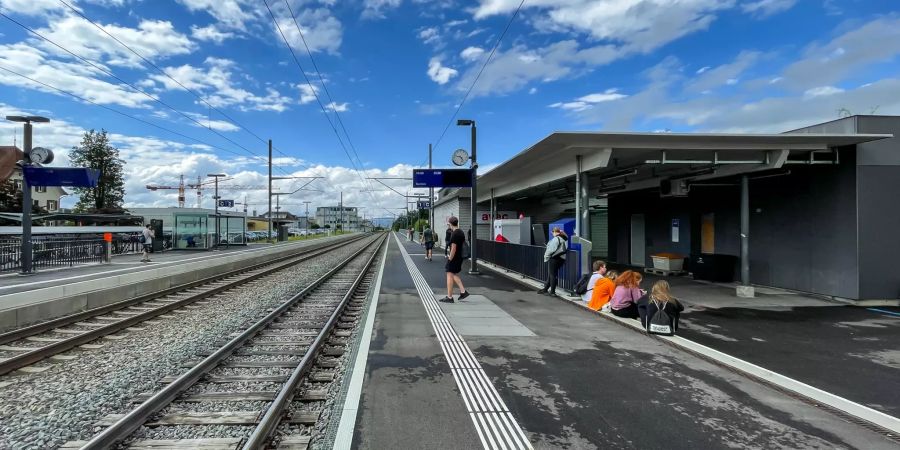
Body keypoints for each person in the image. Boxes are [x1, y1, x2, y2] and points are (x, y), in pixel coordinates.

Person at [439, 216, 470, 303]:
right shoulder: (460, 232)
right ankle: (463, 292)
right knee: (453, 274)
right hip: (459, 257)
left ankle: (449, 297)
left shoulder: (454, 234)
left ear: (450, 224)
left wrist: (450, 258)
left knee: (449, 274)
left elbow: (453, 248)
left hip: (455, 257)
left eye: (448, 223)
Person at [538, 227, 568, 295]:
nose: (552, 234)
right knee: (551, 274)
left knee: (552, 275)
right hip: (561, 259)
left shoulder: (556, 239)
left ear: (554, 232)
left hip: (554, 258)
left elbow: (551, 250)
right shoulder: (564, 238)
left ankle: (552, 292)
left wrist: (546, 257)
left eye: (552, 233)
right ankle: (545, 289)